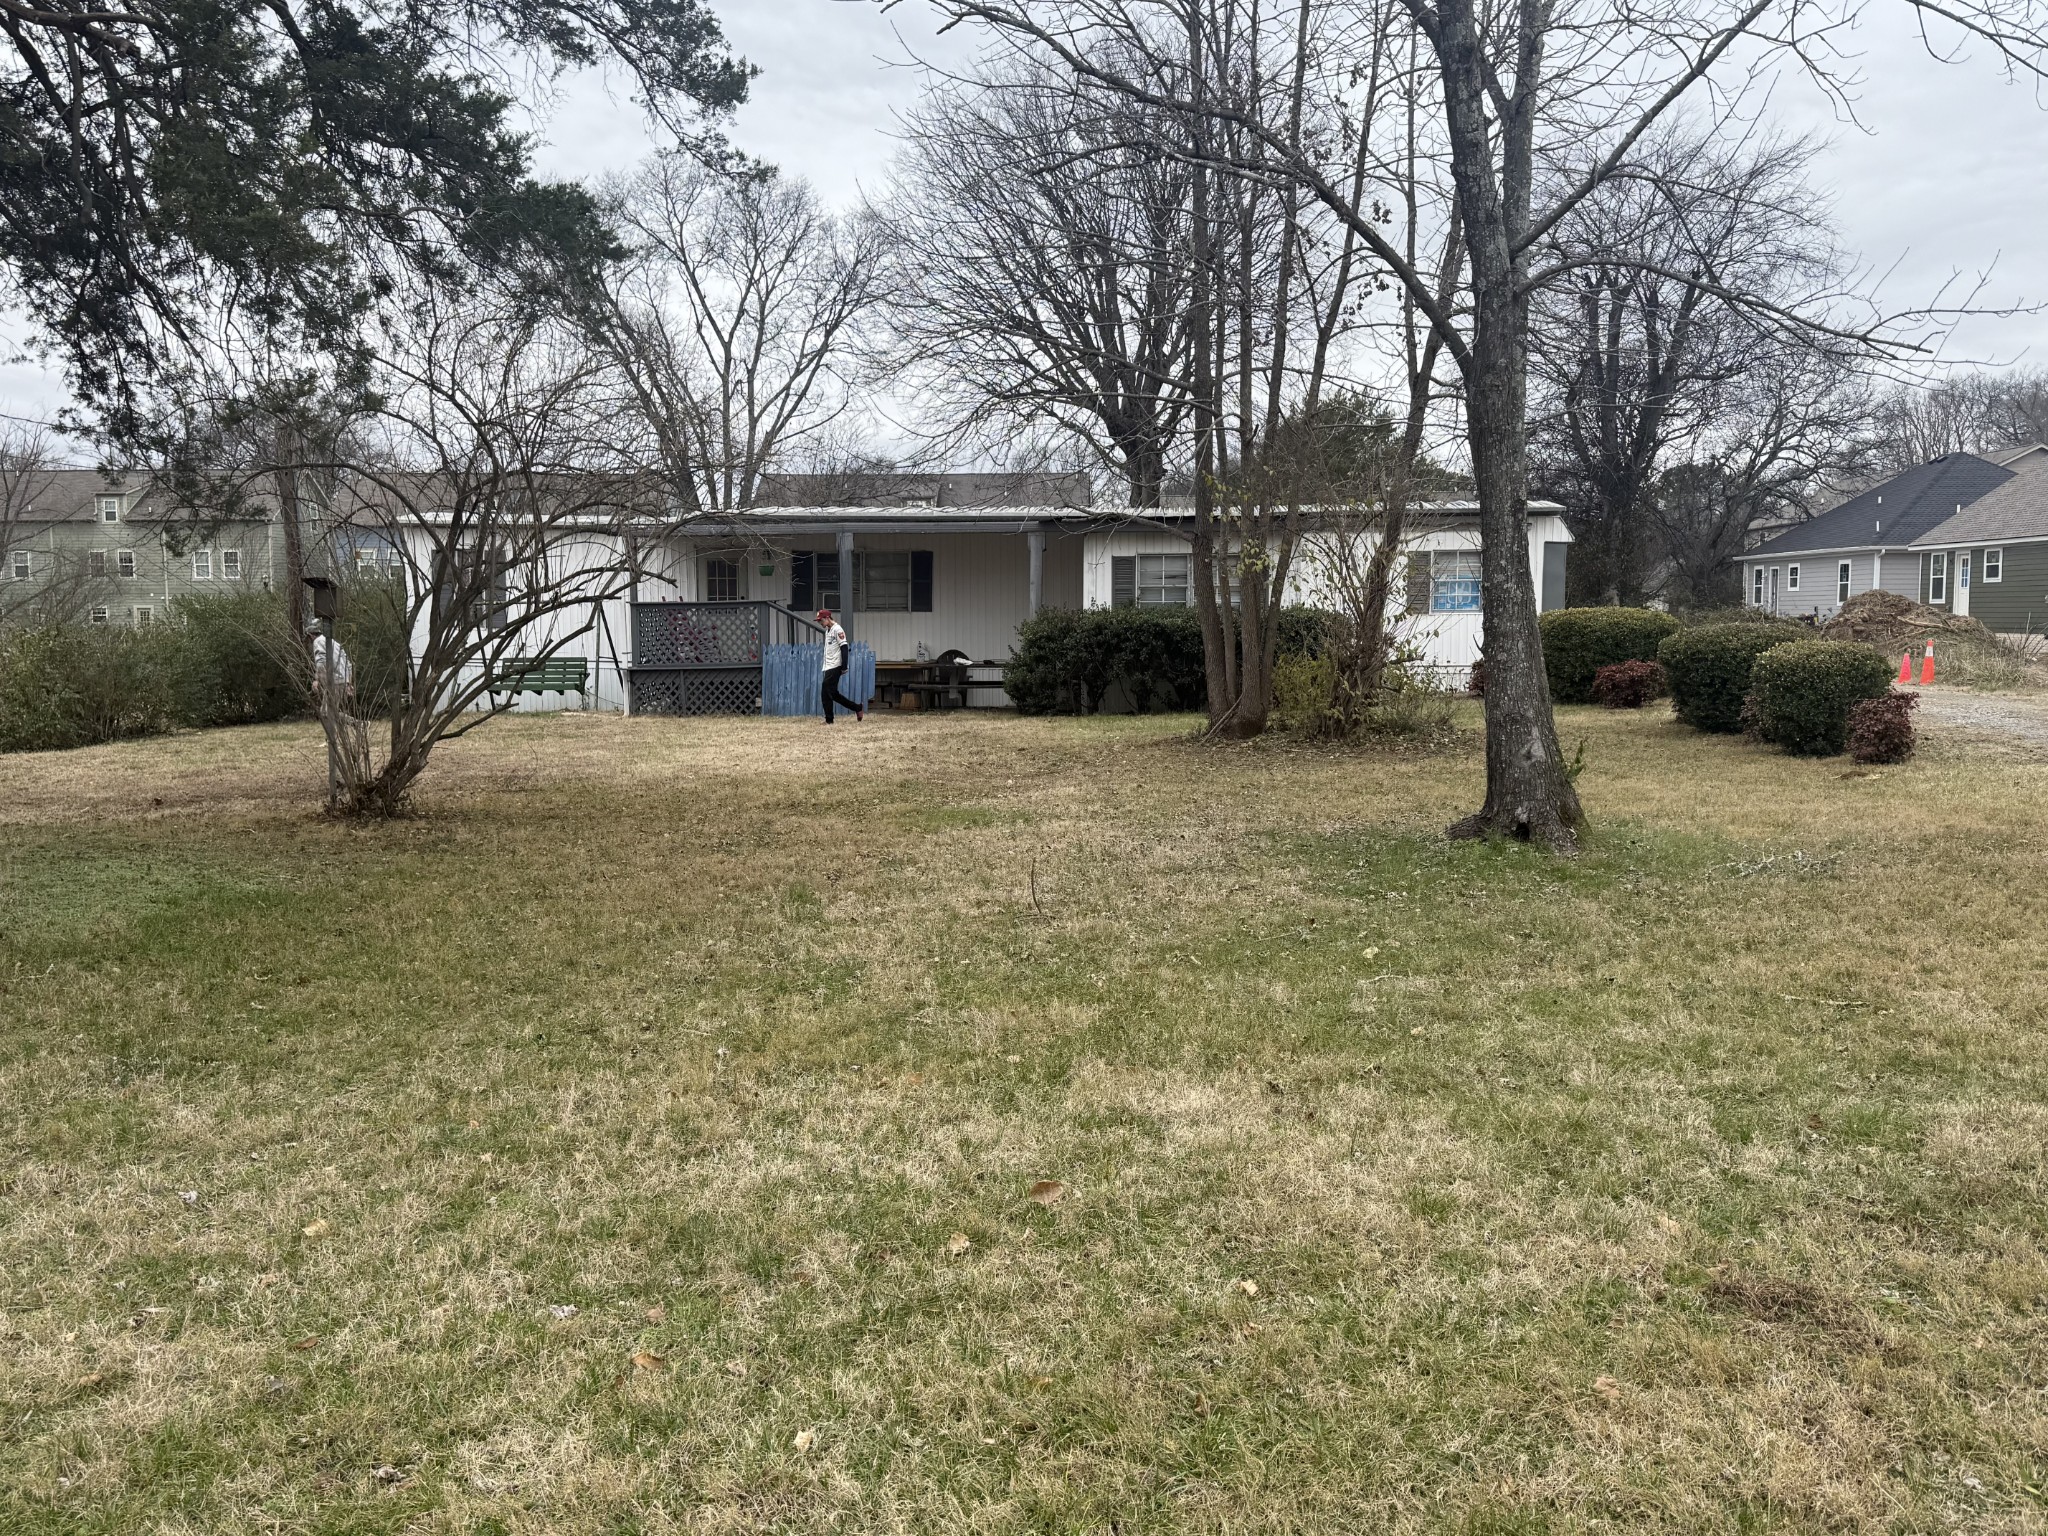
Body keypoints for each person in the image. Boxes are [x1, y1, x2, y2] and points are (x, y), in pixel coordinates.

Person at [817, 607, 863, 724]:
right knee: (831, 694)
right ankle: (856, 708)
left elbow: (844, 647)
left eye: (821, 620)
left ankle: (829, 720)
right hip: (828, 666)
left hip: (835, 665)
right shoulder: (828, 630)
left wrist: (844, 666)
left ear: (827, 618)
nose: (820, 622)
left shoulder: (838, 629)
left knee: (826, 691)